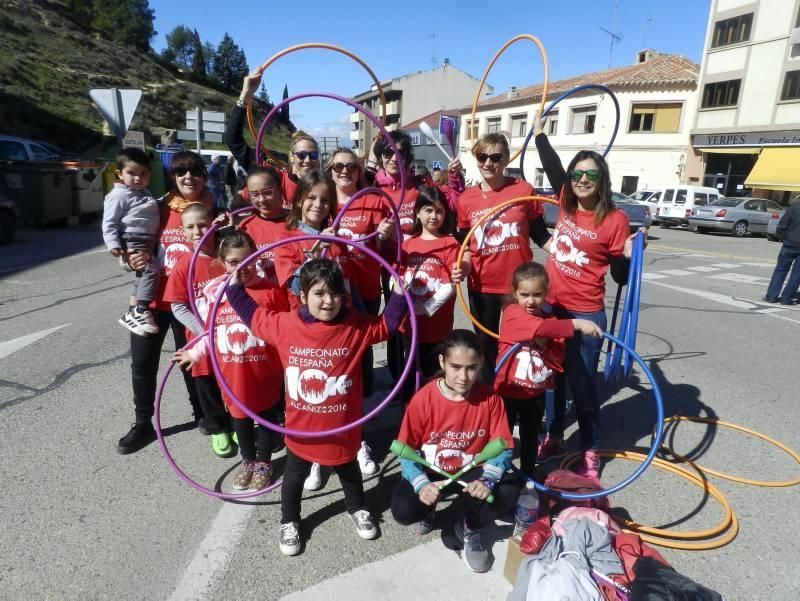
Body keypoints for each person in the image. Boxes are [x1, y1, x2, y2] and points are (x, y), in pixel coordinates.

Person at [226, 258, 408, 556]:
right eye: (320, 294)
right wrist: (234, 289)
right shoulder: (285, 324)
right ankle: (289, 520)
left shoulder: (354, 325)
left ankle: (358, 507)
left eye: (335, 293)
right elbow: (253, 316)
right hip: (302, 426)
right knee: (295, 475)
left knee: (348, 469)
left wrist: (399, 295)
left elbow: (385, 326)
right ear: (303, 296)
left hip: (343, 427)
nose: (329, 301)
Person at [533, 113, 639, 479]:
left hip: (586, 312)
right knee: (551, 381)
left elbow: (620, 277)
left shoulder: (614, 220)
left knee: (582, 386)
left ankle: (590, 449)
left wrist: (626, 256)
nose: (581, 180)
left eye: (590, 175)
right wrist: (540, 135)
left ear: (601, 180)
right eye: (577, 174)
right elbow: (552, 167)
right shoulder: (564, 201)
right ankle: (554, 436)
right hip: (552, 307)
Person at [391, 329, 518, 574]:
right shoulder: (423, 399)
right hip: (433, 474)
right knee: (404, 510)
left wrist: (488, 479)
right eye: (456, 367)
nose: (463, 376)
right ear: (442, 362)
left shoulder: (491, 399)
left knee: (510, 490)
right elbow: (405, 451)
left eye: (471, 367)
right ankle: (430, 510)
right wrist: (420, 484)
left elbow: (503, 448)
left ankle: (470, 524)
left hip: (471, 474)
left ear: (481, 363)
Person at [173, 231, 290, 491]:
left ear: (257, 257)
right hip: (232, 372)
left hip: (263, 370)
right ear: (222, 263)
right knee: (240, 418)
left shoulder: (270, 292)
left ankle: (263, 462)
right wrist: (194, 353)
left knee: (266, 416)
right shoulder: (215, 294)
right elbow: (209, 333)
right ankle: (247, 460)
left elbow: (283, 333)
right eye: (233, 262)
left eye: (248, 259)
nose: (242, 267)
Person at [116, 151, 213, 455]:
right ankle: (143, 422)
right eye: (182, 172)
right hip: (152, 302)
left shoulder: (214, 210)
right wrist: (129, 261)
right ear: (173, 176)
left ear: (204, 176)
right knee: (143, 365)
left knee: (191, 362)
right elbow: (132, 246)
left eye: (195, 172)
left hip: (190, 302)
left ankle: (202, 414)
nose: (189, 178)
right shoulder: (155, 208)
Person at [455, 133, 548, 383]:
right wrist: (463, 267)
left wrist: (574, 251)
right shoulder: (466, 199)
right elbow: (465, 245)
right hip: (482, 287)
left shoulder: (523, 190)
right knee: (486, 348)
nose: (488, 163)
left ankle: (520, 395)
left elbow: (541, 235)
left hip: (519, 288)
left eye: (495, 157)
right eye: (482, 156)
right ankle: (492, 397)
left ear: (506, 158)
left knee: (520, 345)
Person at [495, 262, 602, 476]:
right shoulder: (512, 313)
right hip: (507, 391)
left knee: (530, 436)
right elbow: (543, 329)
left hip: (535, 394)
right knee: (501, 440)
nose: (531, 301)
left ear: (545, 294)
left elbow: (557, 355)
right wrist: (578, 324)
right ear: (515, 293)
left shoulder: (551, 320)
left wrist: (548, 343)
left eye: (537, 294)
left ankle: (527, 476)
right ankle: (496, 475)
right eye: (524, 294)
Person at [325, 148, 393, 475]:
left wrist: (384, 233)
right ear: (330, 169)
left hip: (365, 286)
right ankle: (332, 415)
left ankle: (361, 408)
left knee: (361, 348)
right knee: (334, 352)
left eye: (351, 166)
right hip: (331, 290)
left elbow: (384, 235)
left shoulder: (372, 198)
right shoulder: (322, 199)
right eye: (338, 166)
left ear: (358, 170)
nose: (344, 171)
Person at [163, 202, 236, 458]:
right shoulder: (184, 265)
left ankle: (239, 423)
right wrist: (204, 330)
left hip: (229, 335)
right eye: (190, 227)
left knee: (233, 381)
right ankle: (218, 428)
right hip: (202, 339)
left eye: (203, 224)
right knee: (206, 384)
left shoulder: (226, 257)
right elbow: (178, 306)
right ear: (182, 232)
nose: (197, 231)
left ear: (213, 224)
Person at [398, 186, 469, 395]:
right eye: (428, 210)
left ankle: (433, 407)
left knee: (434, 370)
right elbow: (399, 278)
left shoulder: (449, 244)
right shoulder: (407, 244)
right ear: (418, 213)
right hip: (409, 323)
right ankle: (409, 407)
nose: (434, 216)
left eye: (439, 211)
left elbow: (449, 285)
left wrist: (425, 309)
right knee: (410, 368)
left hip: (437, 323)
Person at [226, 70, 319, 207]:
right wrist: (245, 95)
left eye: (313, 155)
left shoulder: (323, 185)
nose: (307, 160)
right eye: (301, 155)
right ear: (291, 156)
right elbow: (233, 140)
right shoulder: (274, 176)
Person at [102, 148, 161, 336]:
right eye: (131, 173)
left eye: (143, 174)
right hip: (133, 239)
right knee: (151, 269)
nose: (138, 178)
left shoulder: (143, 192)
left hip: (146, 239)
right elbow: (109, 222)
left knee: (142, 274)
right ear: (119, 174)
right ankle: (142, 309)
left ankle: (131, 311)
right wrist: (113, 245)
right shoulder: (118, 195)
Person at [237, 166, 289, 288]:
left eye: (267, 193)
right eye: (254, 194)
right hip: (264, 298)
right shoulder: (245, 227)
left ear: (280, 190)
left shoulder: (297, 221)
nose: (262, 200)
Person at [764, 199, 800, 304]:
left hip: (789, 244)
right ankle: (786, 298)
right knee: (797, 273)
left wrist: (783, 238)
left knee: (780, 269)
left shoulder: (795, 207)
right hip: (792, 243)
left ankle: (771, 296)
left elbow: (782, 224)